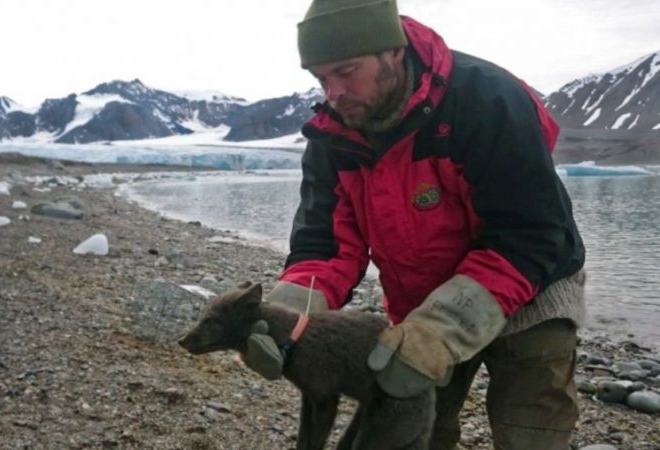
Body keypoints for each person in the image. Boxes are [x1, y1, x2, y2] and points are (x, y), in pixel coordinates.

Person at [245, 0, 586, 449]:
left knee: (531, 434)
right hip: (420, 300)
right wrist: (284, 318)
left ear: (393, 51)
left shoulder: (487, 101)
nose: (333, 92)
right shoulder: (333, 138)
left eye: (346, 72)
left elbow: (529, 234)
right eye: (321, 78)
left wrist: (441, 330)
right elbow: (326, 247)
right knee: (415, 432)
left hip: (533, 288)